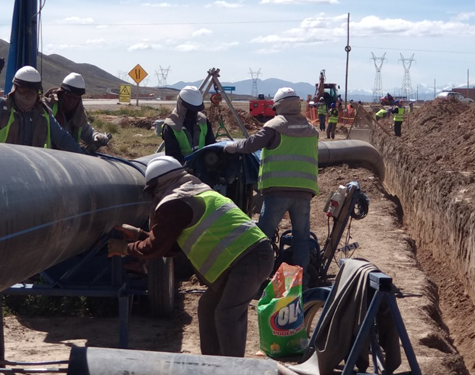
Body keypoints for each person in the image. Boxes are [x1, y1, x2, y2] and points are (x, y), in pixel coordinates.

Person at [108, 156, 273, 357]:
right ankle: (213, 365)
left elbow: (156, 248)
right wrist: (138, 235)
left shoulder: (175, 201)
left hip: (248, 258)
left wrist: (125, 248)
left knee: (226, 314)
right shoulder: (194, 190)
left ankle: (233, 368)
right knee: (207, 308)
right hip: (247, 257)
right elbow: (170, 246)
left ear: (158, 184)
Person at [222, 87, 318, 287]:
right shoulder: (311, 130)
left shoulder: (275, 126)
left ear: (279, 106)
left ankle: (256, 278)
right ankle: (301, 282)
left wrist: (231, 147)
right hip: (304, 192)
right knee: (301, 238)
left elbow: (251, 145)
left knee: (262, 236)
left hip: (277, 191)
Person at [0, 51, 84, 153]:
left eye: (32, 91)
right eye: (23, 90)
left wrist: (82, 156)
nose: (27, 95)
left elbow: (63, 138)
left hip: (31, 168)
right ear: (15, 89)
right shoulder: (2, 108)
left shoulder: (43, 114)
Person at [43, 73, 110, 150]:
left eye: (75, 97)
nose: (71, 100)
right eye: (68, 96)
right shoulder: (47, 107)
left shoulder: (78, 115)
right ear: (60, 94)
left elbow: (88, 132)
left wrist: (97, 136)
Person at [162, 86, 216, 164]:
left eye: (197, 110)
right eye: (191, 110)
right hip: (182, 170)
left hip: (204, 167)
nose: (194, 113)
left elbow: (211, 145)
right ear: (182, 106)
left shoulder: (203, 121)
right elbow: (173, 156)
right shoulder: (171, 126)